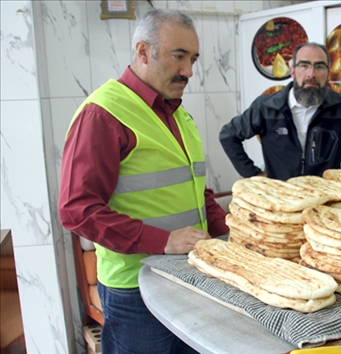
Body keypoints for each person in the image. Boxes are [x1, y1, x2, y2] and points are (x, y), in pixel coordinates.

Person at [58, 9, 228, 354]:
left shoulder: (178, 113)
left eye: (193, 58)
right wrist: (162, 241)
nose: (189, 71)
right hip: (134, 289)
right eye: (179, 56)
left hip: (190, 276)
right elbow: (77, 210)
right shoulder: (103, 115)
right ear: (142, 51)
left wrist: (229, 234)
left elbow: (197, 190)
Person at [219, 42, 341, 181]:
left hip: (326, 201)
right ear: (292, 71)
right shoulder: (266, 107)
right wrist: (254, 175)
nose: (311, 74)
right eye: (304, 65)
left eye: (319, 66)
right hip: (280, 201)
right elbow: (228, 135)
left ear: (327, 73)